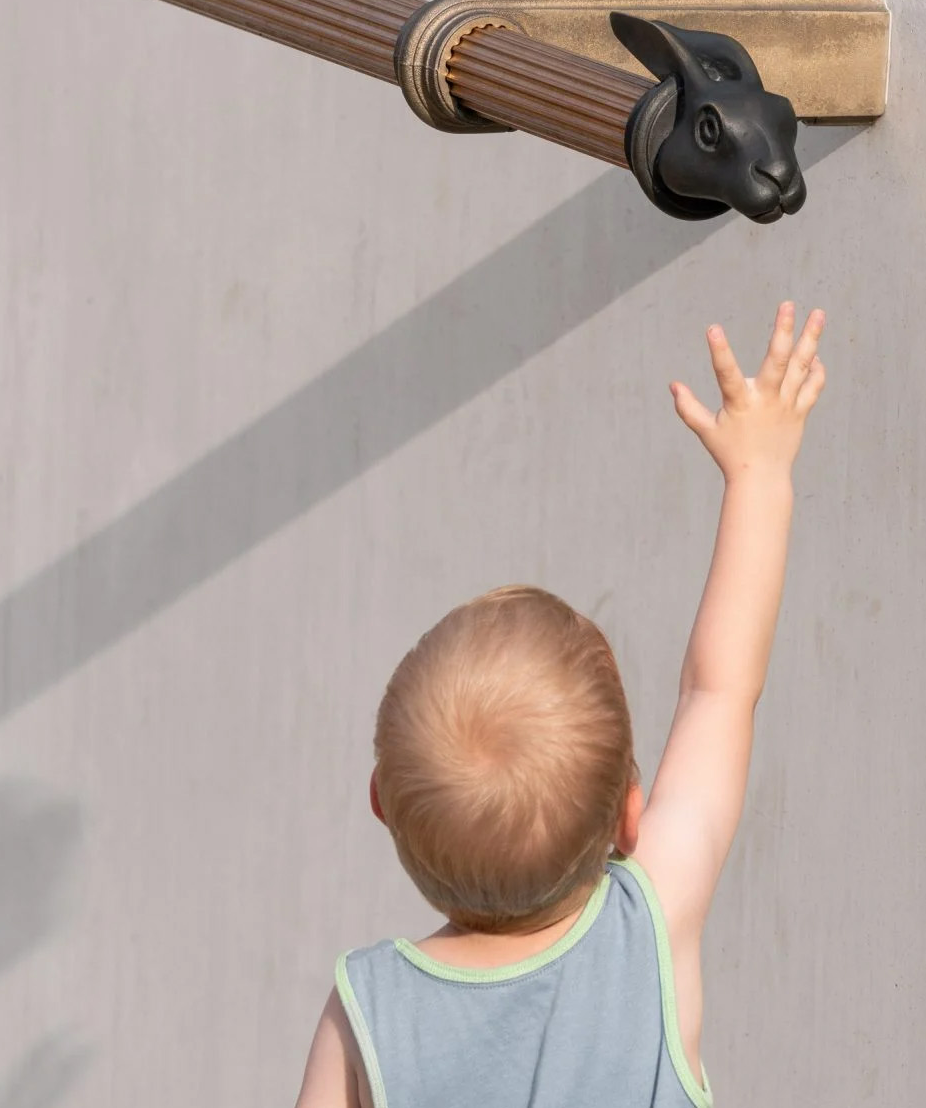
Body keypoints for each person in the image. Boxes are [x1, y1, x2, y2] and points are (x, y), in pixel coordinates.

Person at [295, 301, 826, 1108]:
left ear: (381, 804)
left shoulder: (366, 1013)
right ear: (629, 816)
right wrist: (759, 477)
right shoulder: (648, 923)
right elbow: (719, 691)